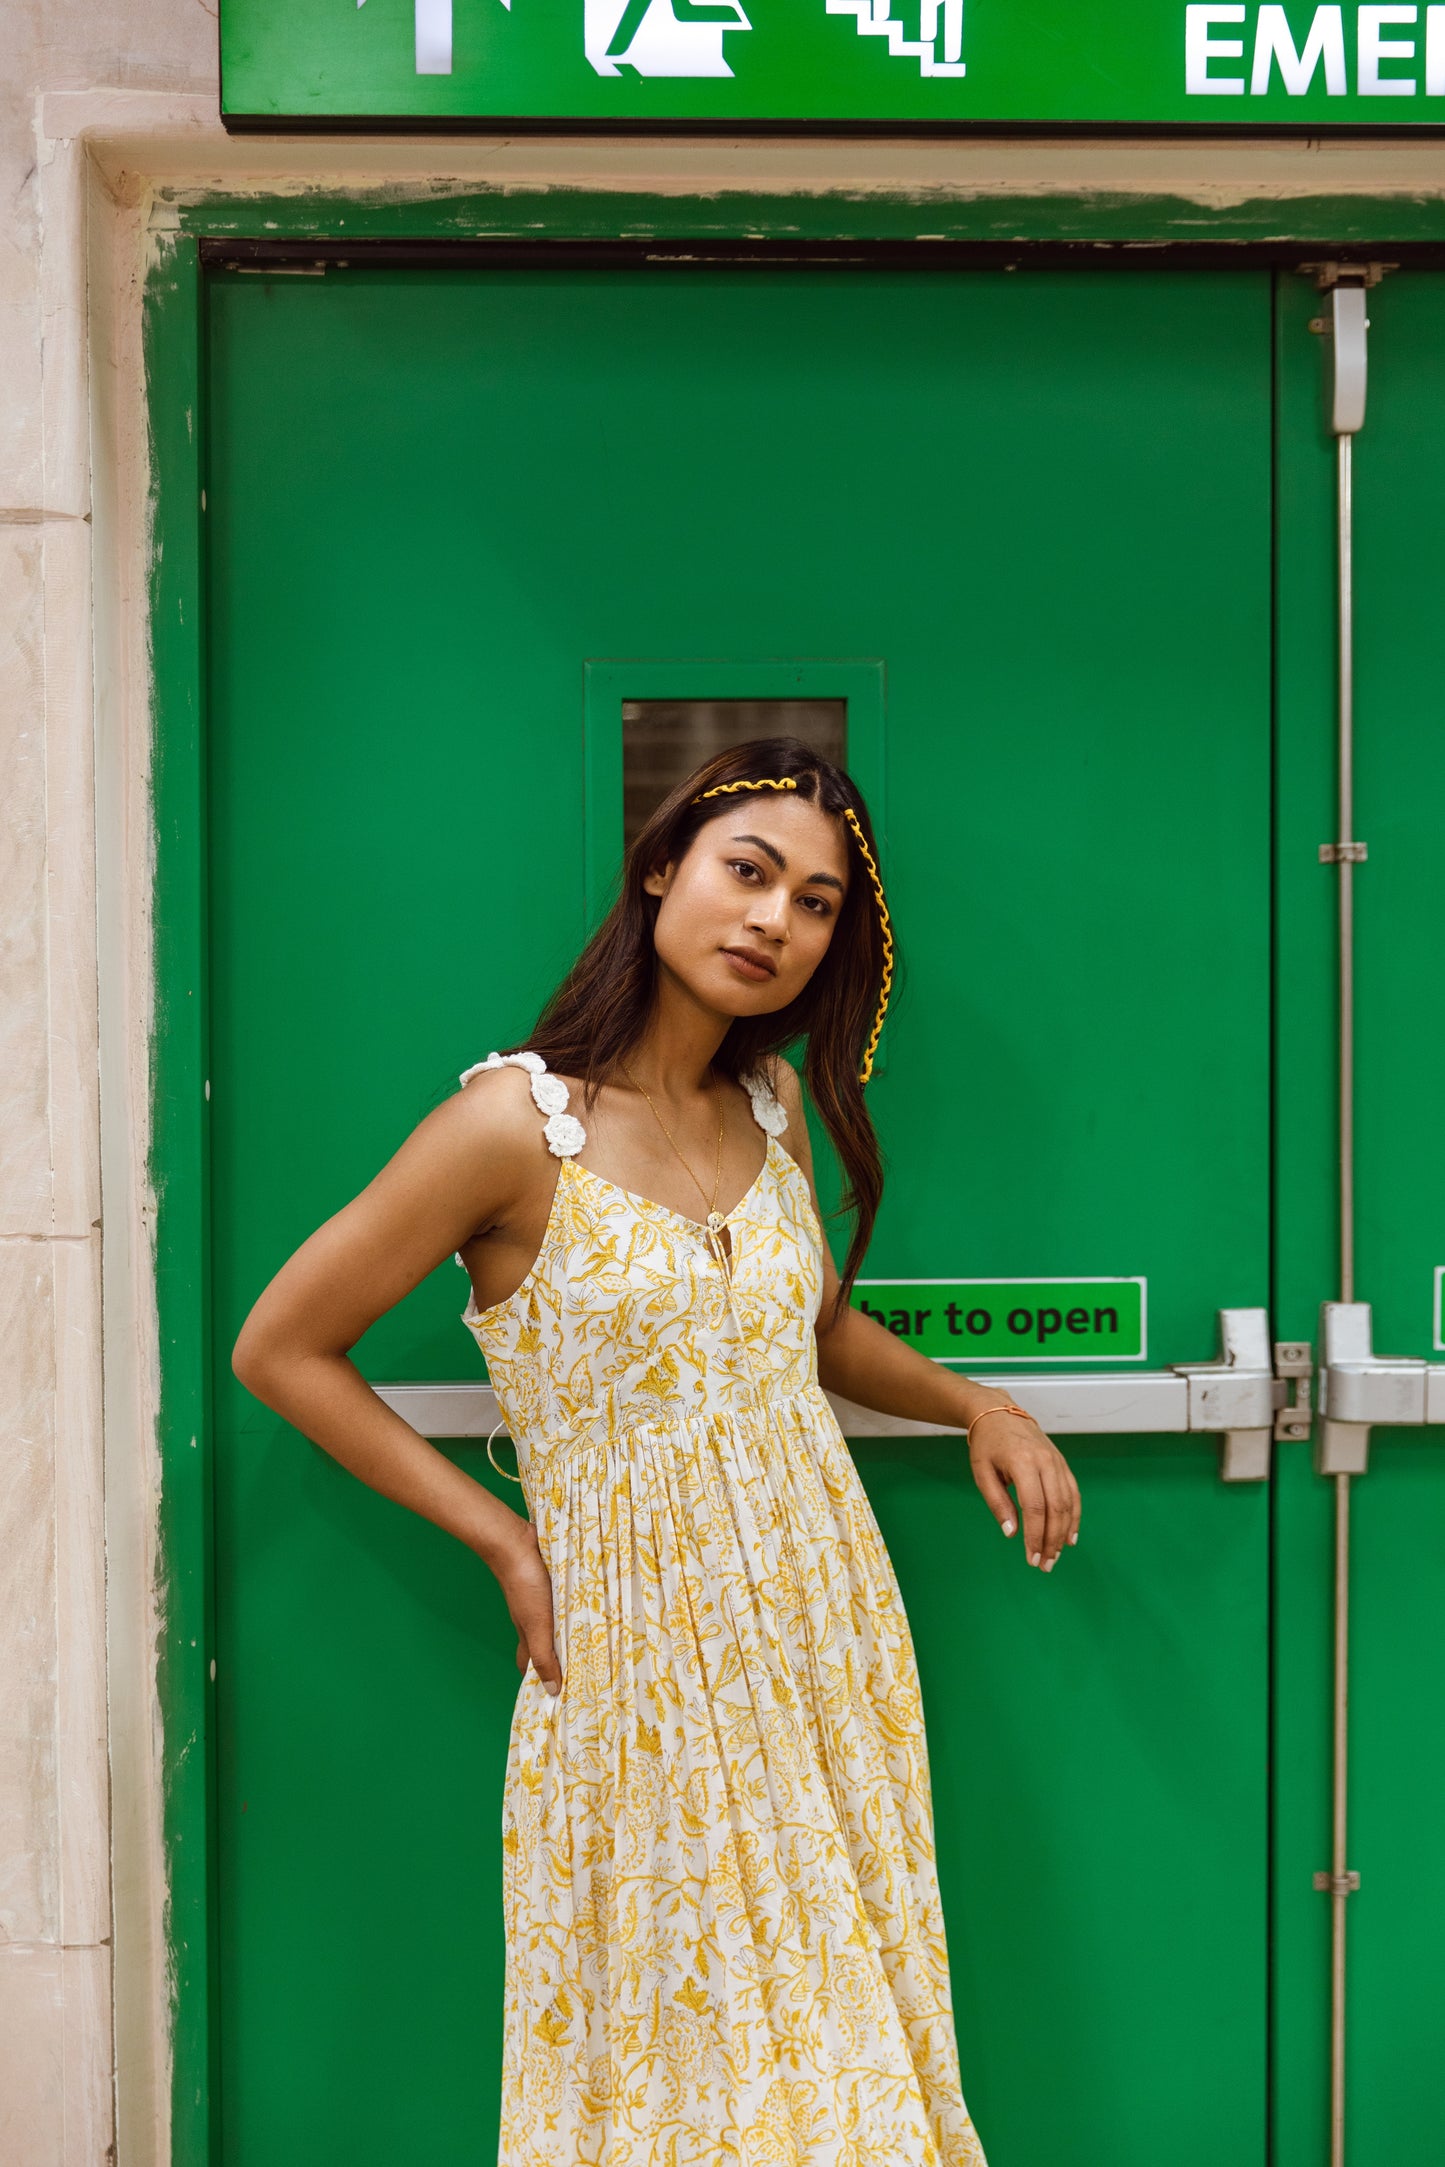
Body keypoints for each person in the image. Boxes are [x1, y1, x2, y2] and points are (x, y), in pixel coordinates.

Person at [233, 735, 1081, 2165]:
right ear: (659, 871)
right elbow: (281, 1349)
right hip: (634, 1655)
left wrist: (977, 1404)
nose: (774, 921)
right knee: (676, 2060)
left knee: (843, 2029)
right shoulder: (509, 1125)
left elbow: (808, 1335)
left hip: (823, 1629)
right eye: (747, 873)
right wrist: (504, 1540)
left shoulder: (777, 1107)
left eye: (815, 904)